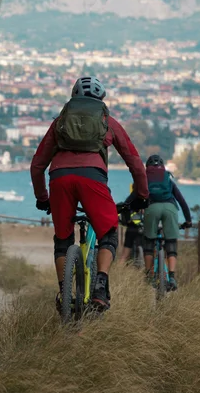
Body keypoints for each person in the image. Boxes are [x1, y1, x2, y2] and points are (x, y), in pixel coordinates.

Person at [31, 76, 150, 312]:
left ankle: (64, 292)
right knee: (108, 233)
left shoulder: (60, 122)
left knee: (63, 240)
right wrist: (142, 194)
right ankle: (100, 286)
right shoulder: (107, 121)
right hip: (92, 179)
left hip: (60, 179)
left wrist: (42, 197)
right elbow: (135, 162)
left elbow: (37, 165)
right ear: (100, 99)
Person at [137, 154, 193, 292]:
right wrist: (188, 220)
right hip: (170, 208)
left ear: (147, 167)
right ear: (162, 166)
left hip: (152, 208)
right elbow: (182, 201)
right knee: (171, 242)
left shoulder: (145, 178)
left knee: (149, 242)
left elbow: (135, 198)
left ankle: (149, 276)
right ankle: (172, 277)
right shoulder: (167, 179)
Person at [118, 183, 146, 265]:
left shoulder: (129, 200)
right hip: (141, 228)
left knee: (125, 252)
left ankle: (119, 269)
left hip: (130, 228)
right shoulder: (144, 200)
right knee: (147, 252)